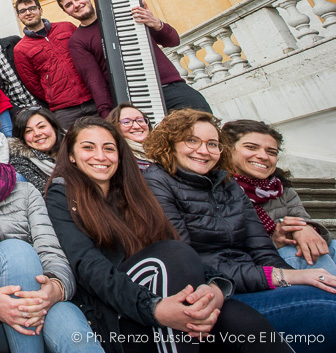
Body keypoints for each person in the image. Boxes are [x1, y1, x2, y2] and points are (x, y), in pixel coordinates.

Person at [46, 117, 287, 353]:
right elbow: (87, 265)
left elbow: (171, 242)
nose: (100, 156)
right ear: (71, 155)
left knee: (241, 320)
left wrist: (214, 287)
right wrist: (154, 308)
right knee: (171, 254)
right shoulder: (62, 194)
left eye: (109, 148)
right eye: (88, 147)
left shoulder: (134, 192)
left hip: (163, 290)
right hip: (118, 311)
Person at [144, 110, 336, 350]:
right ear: (169, 144)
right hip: (220, 295)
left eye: (212, 144)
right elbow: (188, 262)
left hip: (254, 284)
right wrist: (286, 277)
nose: (204, 150)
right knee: (329, 308)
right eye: (192, 140)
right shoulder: (156, 182)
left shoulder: (227, 184)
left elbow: (263, 251)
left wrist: (295, 281)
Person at [0, 116, 100, 353]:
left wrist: (56, 287)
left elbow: (50, 248)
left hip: (41, 300)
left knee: (76, 337)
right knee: (16, 250)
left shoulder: (25, 191)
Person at [57, 0, 212, 117]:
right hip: (137, 101)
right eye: (69, 5)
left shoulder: (124, 14)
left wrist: (155, 22)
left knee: (205, 130)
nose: (76, 5)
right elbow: (95, 82)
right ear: (66, 12)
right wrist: (109, 117)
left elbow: (172, 41)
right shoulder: (77, 41)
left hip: (170, 87)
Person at [221, 119, 336, 273]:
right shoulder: (219, 190)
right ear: (228, 149)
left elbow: (305, 223)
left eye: (271, 152)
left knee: (329, 247)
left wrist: (306, 227)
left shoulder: (282, 190)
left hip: (287, 253)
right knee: (302, 254)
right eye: (251, 147)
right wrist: (274, 242)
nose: (263, 156)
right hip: (253, 267)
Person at [11, 0, 95, 133]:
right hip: (64, 110)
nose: (28, 13)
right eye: (23, 11)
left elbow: (86, 55)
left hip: (92, 97)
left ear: (40, 10)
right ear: (19, 16)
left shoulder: (66, 28)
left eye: (32, 8)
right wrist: (54, 94)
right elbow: (33, 83)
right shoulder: (20, 49)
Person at [8, 108, 63, 191]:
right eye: (28, 131)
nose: (37, 134)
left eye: (41, 127)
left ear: (54, 127)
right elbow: (45, 195)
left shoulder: (75, 147)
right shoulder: (20, 163)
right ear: (22, 138)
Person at [106, 103, 153, 170]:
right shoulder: (118, 160)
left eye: (140, 120)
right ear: (115, 127)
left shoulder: (162, 151)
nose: (136, 126)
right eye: (126, 122)